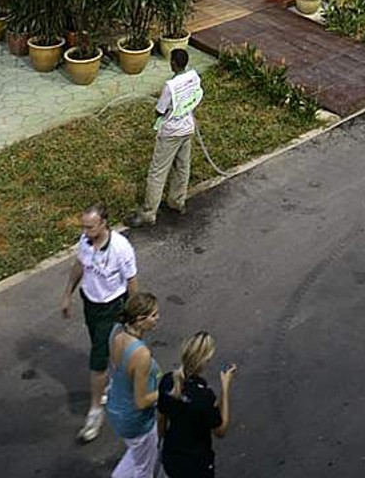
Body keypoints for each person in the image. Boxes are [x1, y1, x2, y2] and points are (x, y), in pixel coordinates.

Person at [61, 203, 139, 443]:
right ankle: (110, 381)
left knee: (97, 359)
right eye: (83, 227)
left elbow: (132, 281)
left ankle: (95, 412)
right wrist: (67, 294)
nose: (85, 232)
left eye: (90, 227)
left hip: (111, 307)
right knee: (100, 346)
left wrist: (134, 314)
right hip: (90, 303)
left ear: (104, 223)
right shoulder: (86, 241)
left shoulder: (121, 248)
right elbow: (80, 265)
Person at [131, 48, 204, 226]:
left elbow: (160, 111)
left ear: (173, 63)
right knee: (182, 167)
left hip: (171, 133)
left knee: (157, 172)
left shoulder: (170, 86)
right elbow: (196, 96)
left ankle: (148, 213)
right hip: (187, 128)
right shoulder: (193, 76)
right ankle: (177, 202)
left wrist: (158, 113)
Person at [158, 331, 236, 478]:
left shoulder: (168, 381)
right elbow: (220, 431)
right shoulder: (204, 397)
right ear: (205, 361)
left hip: (171, 457)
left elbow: (162, 418)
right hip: (196, 464)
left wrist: (163, 440)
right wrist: (225, 389)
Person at [105, 291, 161, 478]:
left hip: (117, 407)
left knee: (137, 455)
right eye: (153, 315)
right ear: (140, 320)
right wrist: (167, 390)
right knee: (144, 469)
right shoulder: (141, 354)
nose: (157, 318)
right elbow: (141, 401)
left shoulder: (117, 333)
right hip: (136, 420)